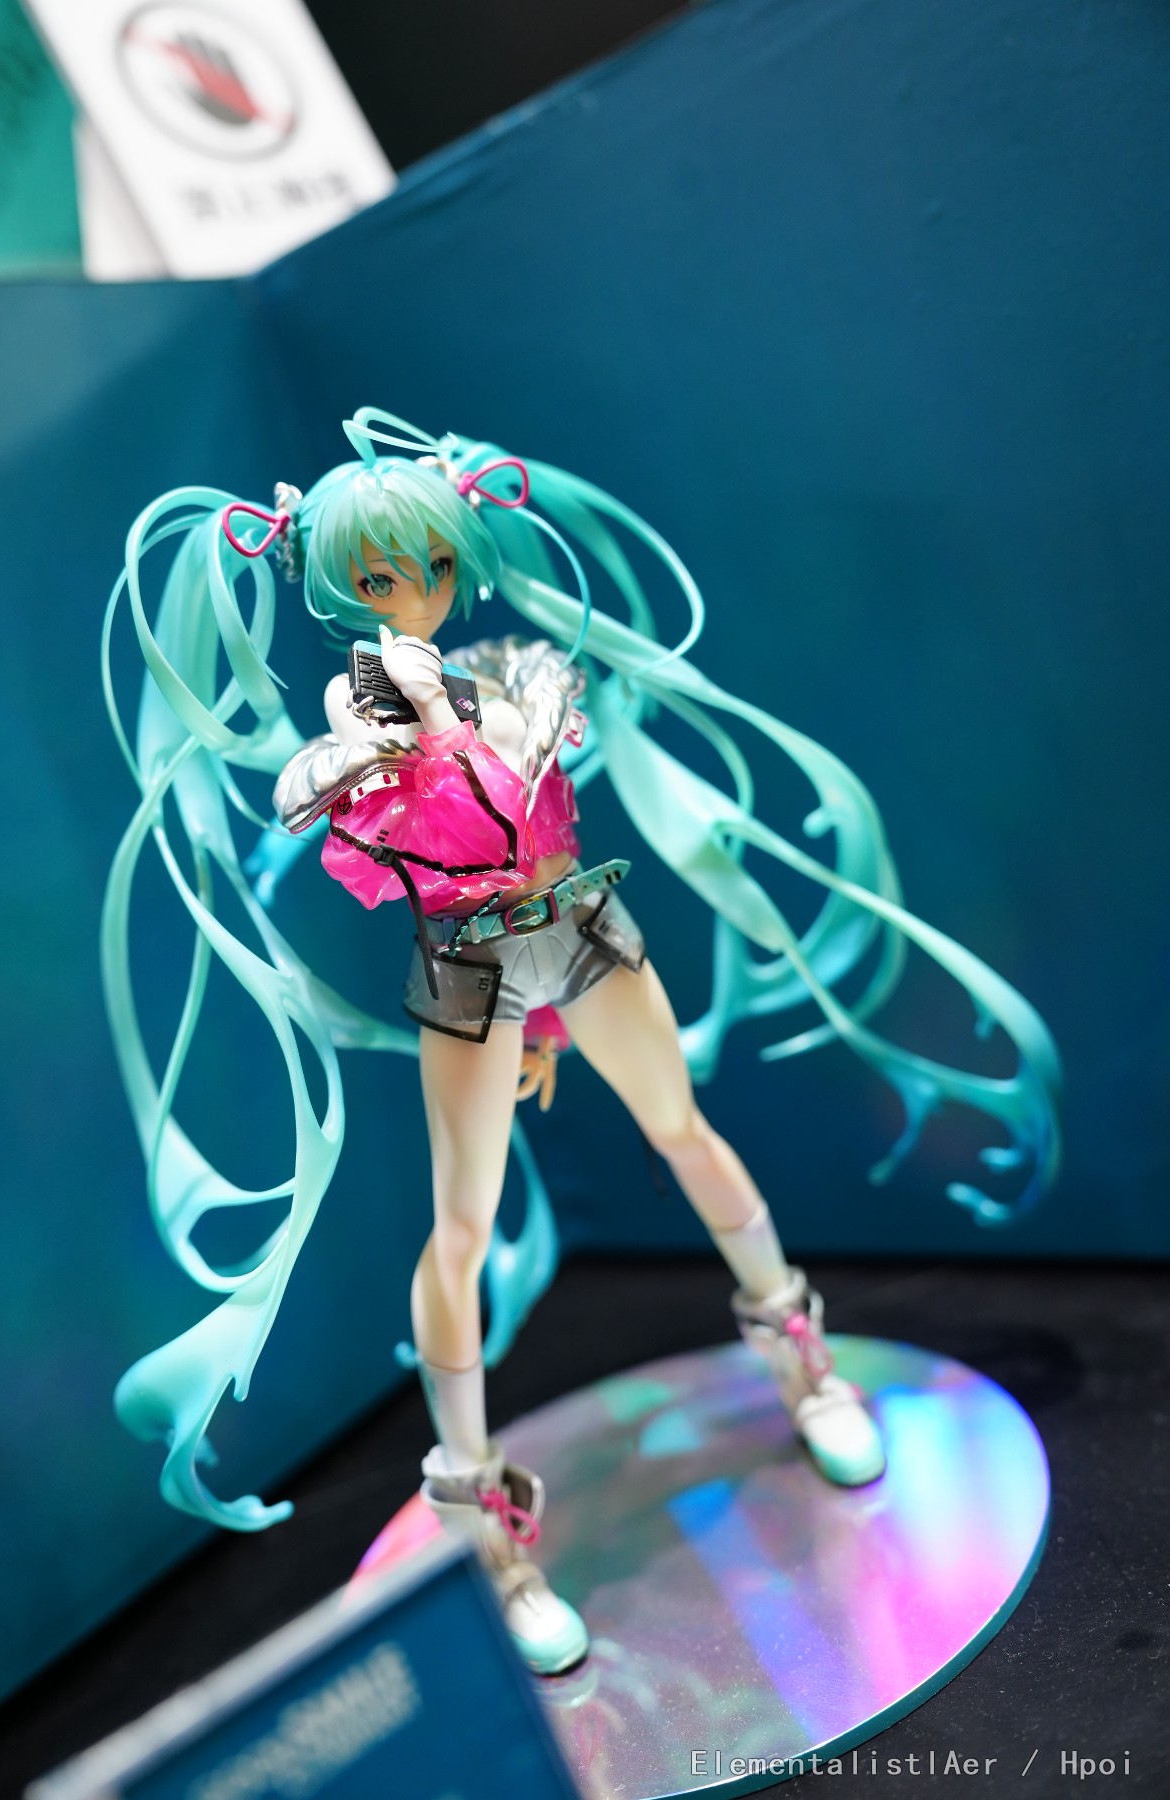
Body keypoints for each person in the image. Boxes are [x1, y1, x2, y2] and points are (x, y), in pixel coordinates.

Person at [103, 407, 1062, 1676]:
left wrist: (538, 976)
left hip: (583, 928)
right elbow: (302, 798)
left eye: (431, 567)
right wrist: (374, 745)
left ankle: (804, 1361)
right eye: (381, 580)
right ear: (336, 591)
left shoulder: (510, 671)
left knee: (683, 1130)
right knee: (459, 1227)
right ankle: (478, 1511)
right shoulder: (360, 718)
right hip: (467, 965)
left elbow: (526, 810)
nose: (415, 594)